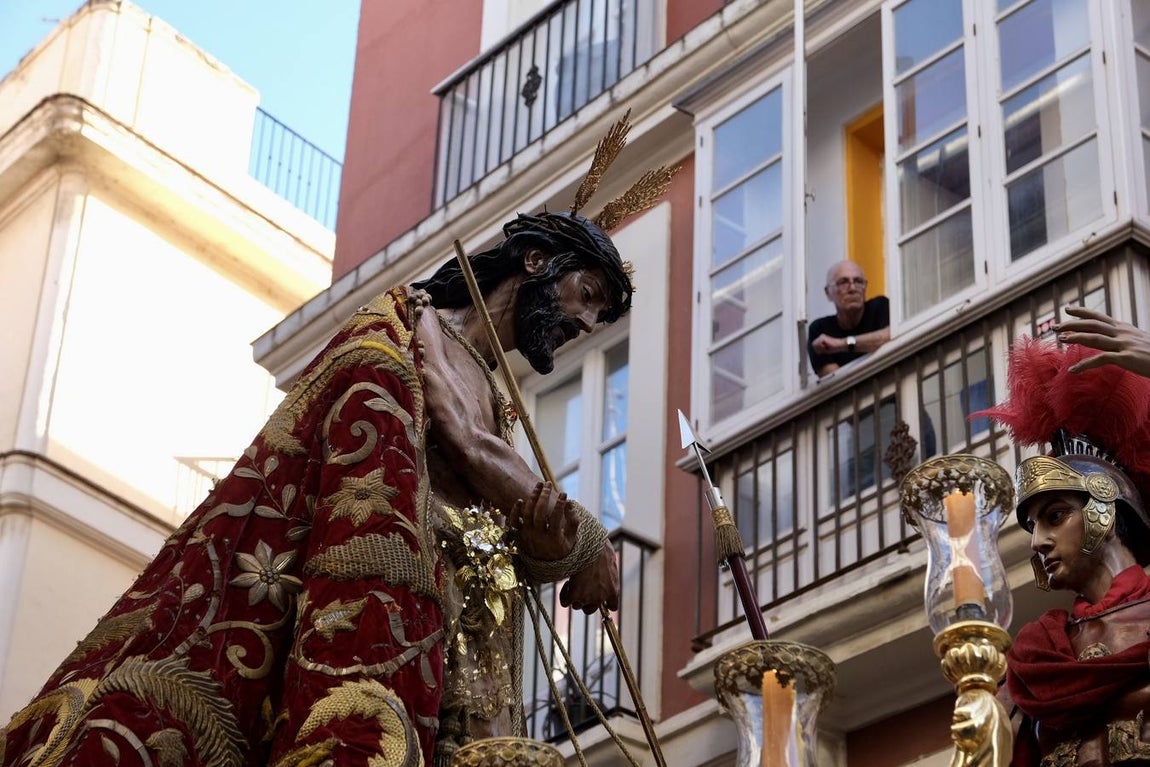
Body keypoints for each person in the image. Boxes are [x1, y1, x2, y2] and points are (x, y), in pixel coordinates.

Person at [0, 209, 639, 767]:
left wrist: (545, 547)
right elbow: (466, 443)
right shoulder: (410, 325)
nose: (587, 323)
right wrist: (585, 542)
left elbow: (496, 511)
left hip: (468, 645)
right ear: (535, 261)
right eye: (587, 295)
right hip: (398, 609)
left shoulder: (497, 397)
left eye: (600, 315)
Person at [979, 327, 1150, 767]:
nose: (1037, 541)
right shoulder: (1036, 660)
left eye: (1055, 517)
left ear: (1103, 510)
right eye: (1033, 526)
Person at [807, 260, 890, 378]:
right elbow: (834, 380)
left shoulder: (879, 306)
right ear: (828, 293)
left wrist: (842, 344)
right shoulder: (820, 330)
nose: (852, 288)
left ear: (865, 287)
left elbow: (890, 335)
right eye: (843, 282)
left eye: (858, 281)